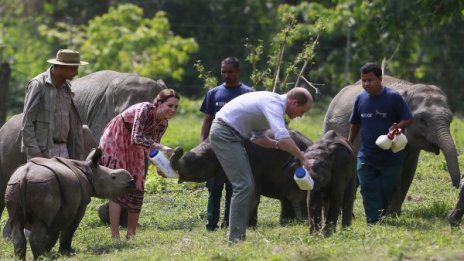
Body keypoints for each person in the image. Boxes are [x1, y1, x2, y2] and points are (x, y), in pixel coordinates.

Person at [209, 87, 314, 242]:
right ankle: (235, 239)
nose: (301, 115)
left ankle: (237, 236)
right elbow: (284, 137)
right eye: (302, 110)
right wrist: (302, 158)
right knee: (243, 185)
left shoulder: (270, 105)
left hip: (233, 135)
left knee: (245, 185)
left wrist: (277, 145)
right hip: (225, 134)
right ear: (293, 102)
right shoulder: (274, 104)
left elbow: (258, 139)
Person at [99, 89, 180, 239]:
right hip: (118, 136)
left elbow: (150, 148)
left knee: (137, 186)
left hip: (135, 145)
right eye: (170, 105)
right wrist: (162, 147)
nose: (173, 110)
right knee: (119, 184)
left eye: (176, 107)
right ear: (159, 103)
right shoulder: (145, 109)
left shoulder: (163, 124)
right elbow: (136, 137)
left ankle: (131, 234)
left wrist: (160, 166)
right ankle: (114, 235)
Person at [348, 63, 412, 224]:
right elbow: (355, 123)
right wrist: (349, 142)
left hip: (391, 156)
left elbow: (408, 118)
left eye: (370, 80)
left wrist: (398, 127)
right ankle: (372, 220)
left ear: (380, 79)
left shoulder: (393, 97)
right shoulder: (360, 99)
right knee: (367, 189)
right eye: (363, 80)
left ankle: (379, 213)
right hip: (366, 155)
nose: (366, 84)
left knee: (386, 190)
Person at [200, 57, 254, 231]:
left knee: (235, 187)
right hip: (215, 148)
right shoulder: (214, 93)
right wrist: (203, 144)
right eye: (223, 72)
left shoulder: (248, 93)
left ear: (238, 72)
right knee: (214, 188)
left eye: (230, 72)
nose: (226, 75)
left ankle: (229, 222)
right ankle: (211, 224)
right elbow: (208, 119)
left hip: (238, 147)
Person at [22, 49, 88, 161]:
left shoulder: (67, 88)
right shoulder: (38, 85)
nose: (76, 73)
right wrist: (36, 153)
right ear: (61, 67)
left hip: (63, 149)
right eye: (74, 68)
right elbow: (27, 122)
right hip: (42, 151)